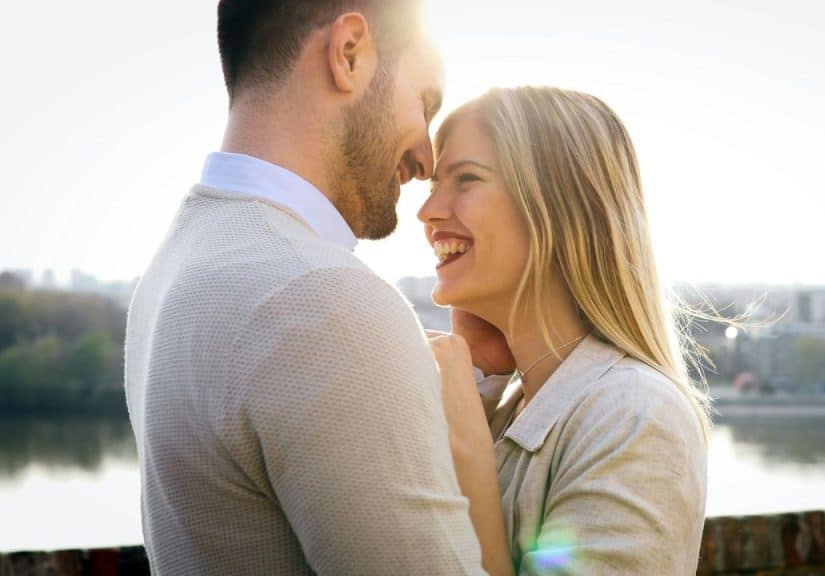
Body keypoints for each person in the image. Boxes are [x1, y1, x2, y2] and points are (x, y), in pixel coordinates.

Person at [124, 1, 504, 573]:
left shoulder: (173, 267)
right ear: (349, 53)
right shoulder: (324, 299)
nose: (426, 158)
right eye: (423, 104)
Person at [421, 87, 711, 574]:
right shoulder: (512, 404)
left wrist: (469, 451)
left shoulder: (634, 416)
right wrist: (480, 385)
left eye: (466, 179)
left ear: (560, 206)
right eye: (432, 184)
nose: (427, 211)